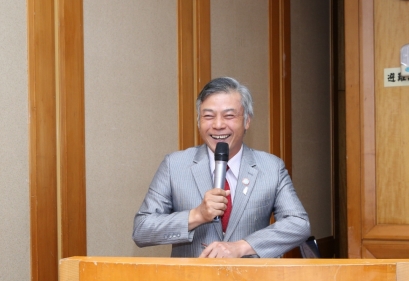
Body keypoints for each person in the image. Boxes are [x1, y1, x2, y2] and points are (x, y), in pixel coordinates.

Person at [132, 77, 310, 258]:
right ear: (198, 121)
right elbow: (142, 229)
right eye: (208, 116)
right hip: (192, 276)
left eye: (229, 116)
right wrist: (197, 215)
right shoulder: (174, 165)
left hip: (251, 275)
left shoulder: (271, 167)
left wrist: (242, 247)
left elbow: (299, 224)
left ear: (247, 121)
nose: (218, 125)